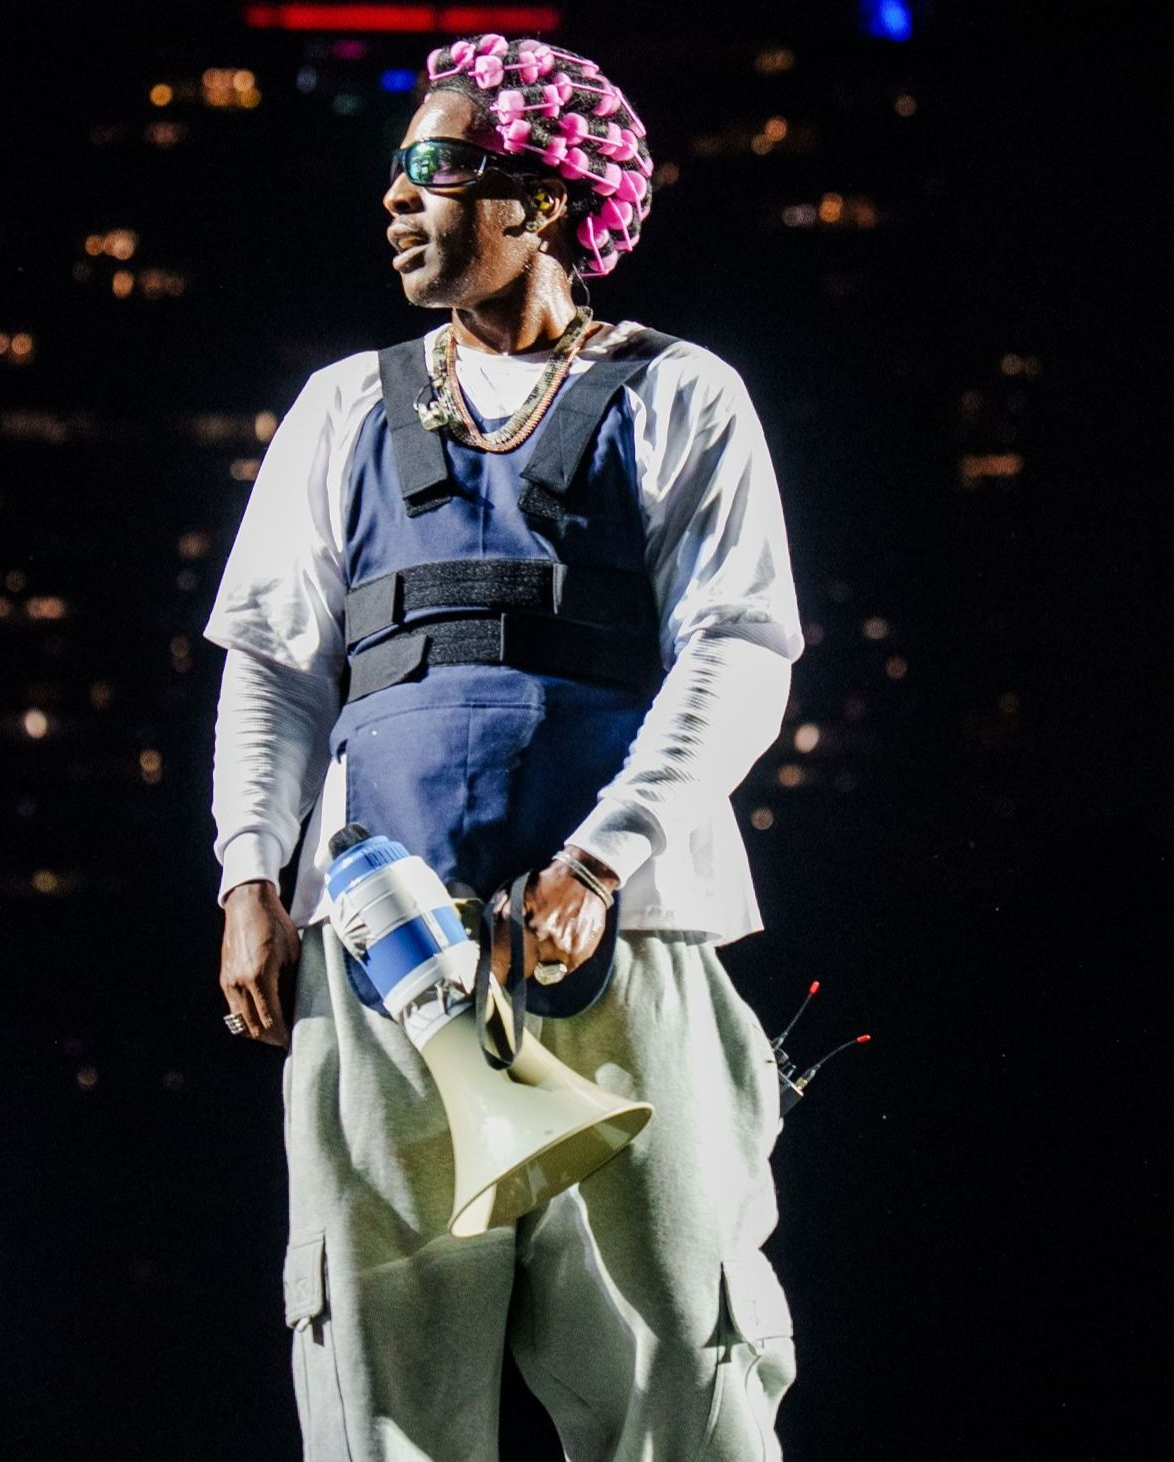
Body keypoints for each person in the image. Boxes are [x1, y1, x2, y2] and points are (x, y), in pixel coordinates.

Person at [204, 33, 806, 1462]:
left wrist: (602, 859)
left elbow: (741, 649)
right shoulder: (343, 408)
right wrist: (245, 875)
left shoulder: (680, 395)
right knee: (381, 1372)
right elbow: (277, 668)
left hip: (626, 944)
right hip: (384, 955)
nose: (402, 199)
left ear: (544, 196)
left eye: (439, 166)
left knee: (682, 1360)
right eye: (396, 172)